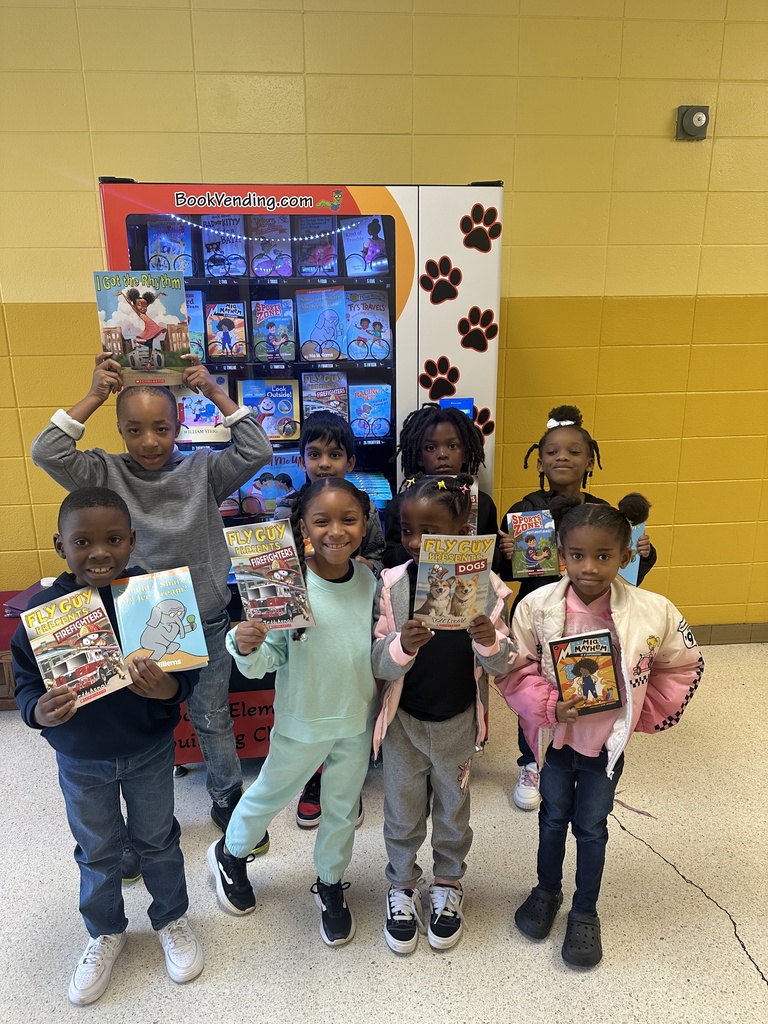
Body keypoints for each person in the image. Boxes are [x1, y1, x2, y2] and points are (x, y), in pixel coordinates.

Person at [30, 353, 273, 877]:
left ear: (178, 425)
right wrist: (94, 395)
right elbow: (46, 450)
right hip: (126, 627)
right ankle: (127, 833)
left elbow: (257, 449)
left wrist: (213, 390)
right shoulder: (103, 470)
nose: (148, 441)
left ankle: (227, 795)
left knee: (212, 716)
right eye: (134, 429)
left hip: (203, 619)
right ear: (119, 430)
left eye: (161, 428)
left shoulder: (203, 470)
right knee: (133, 725)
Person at [11, 488, 204, 1005]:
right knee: (96, 850)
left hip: (148, 749)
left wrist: (166, 688)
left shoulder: (153, 597)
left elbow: (187, 674)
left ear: (132, 541)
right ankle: (105, 932)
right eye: (83, 542)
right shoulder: (44, 613)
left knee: (157, 840)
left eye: (114, 539)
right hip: (81, 756)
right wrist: (37, 710)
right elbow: (26, 683)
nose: (100, 552)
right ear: (61, 546)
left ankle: (171, 919)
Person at [497, 492, 703, 969]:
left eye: (604, 556)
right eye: (577, 555)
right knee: (552, 818)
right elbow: (513, 670)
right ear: (560, 554)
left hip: (605, 749)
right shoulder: (535, 607)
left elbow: (683, 663)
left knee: (591, 827)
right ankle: (547, 890)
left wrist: (644, 711)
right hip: (553, 743)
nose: (589, 567)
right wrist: (547, 705)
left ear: (626, 556)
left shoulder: (654, 610)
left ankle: (584, 910)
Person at [207, 478, 378, 947]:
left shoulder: (370, 582)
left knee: (342, 809)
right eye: (322, 521)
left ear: (364, 526)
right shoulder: (287, 585)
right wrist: (245, 645)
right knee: (269, 793)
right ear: (303, 527)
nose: (336, 531)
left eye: (348, 520)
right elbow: (270, 659)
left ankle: (330, 881)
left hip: (356, 719)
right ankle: (230, 853)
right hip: (302, 719)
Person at [372, 474, 516, 954]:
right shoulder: (392, 586)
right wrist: (400, 646)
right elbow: (376, 660)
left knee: (453, 810)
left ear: (462, 532)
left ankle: (449, 883)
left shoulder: (489, 588)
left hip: (457, 721)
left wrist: (488, 641)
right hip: (404, 724)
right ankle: (401, 883)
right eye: (407, 530)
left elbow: (503, 664)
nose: (415, 542)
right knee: (401, 810)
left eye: (430, 531)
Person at [498, 404, 658, 812]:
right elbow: (506, 575)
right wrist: (506, 554)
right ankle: (531, 761)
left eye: (573, 451)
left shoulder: (604, 513)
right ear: (539, 461)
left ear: (590, 461)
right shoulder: (522, 510)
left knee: (587, 686)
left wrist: (643, 553)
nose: (562, 458)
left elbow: (626, 573)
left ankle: (589, 752)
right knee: (534, 688)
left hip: (589, 617)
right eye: (552, 451)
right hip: (538, 617)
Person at [273, 410, 385, 827]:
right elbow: (273, 565)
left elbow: (378, 553)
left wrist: (367, 567)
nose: (324, 463)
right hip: (304, 619)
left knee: (349, 697)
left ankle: (347, 786)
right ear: (301, 458)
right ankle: (312, 778)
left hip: (349, 612)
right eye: (315, 454)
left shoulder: (365, 506)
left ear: (350, 462)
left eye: (335, 455)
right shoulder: (287, 507)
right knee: (310, 697)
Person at [383, 403, 502, 572]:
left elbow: (495, 564)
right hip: (414, 585)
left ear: (465, 454)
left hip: (470, 585)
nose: (442, 454)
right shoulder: (401, 505)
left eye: (452, 446)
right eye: (431, 448)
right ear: (419, 457)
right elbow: (389, 560)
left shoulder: (483, 503)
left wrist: (504, 551)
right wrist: (418, 542)